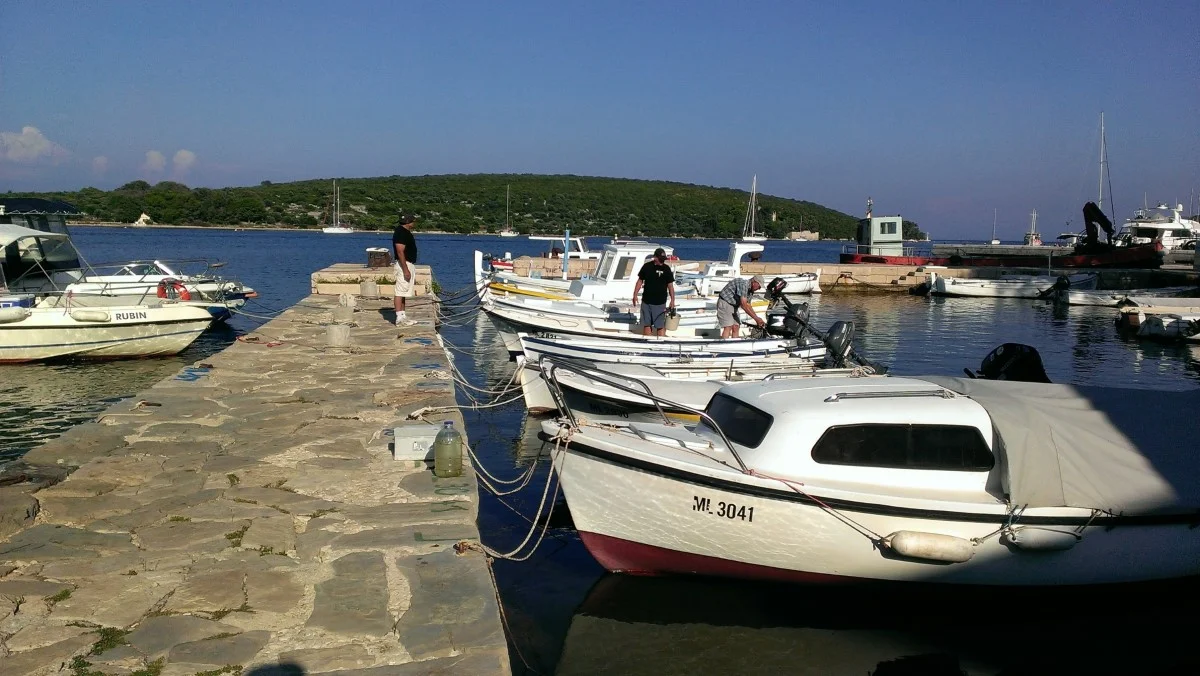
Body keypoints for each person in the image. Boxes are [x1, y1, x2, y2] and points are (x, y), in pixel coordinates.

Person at [631, 247, 676, 336]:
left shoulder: (666, 269)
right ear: (655, 257)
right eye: (661, 259)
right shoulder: (647, 267)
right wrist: (635, 295)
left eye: (663, 259)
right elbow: (640, 281)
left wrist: (672, 301)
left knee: (660, 326)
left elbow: (670, 286)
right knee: (646, 324)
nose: (662, 261)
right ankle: (647, 340)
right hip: (646, 301)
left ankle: (661, 341)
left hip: (660, 302)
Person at [717, 274, 765, 338]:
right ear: (754, 282)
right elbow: (743, 305)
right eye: (759, 286)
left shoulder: (750, 291)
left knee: (736, 326)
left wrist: (757, 318)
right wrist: (756, 319)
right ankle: (724, 343)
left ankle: (735, 343)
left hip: (734, 305)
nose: (759, 288)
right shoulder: (743, 285)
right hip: (725, 302)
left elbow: (748, 305)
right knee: (728, 326)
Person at [392, 214, 419, 326]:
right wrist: (405, 269)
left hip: (408, 263)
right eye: (413, 221)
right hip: (404, 264)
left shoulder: (404, 232)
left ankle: (403, 316)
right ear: (408, 222)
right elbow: (400, 251)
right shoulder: (401, 233)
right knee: (400, 291)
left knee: (404, 292)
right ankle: (399, 318)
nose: (414, 223)